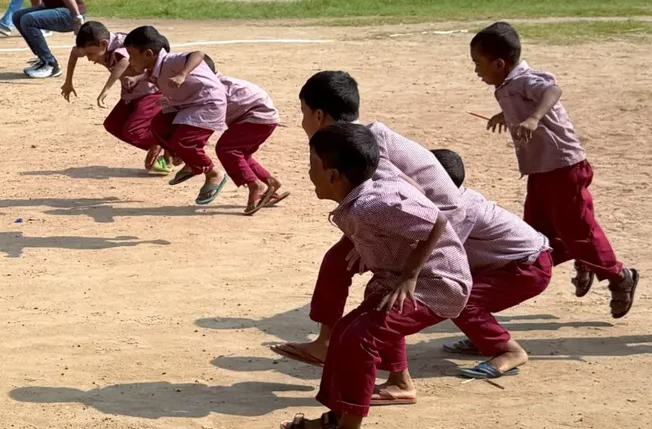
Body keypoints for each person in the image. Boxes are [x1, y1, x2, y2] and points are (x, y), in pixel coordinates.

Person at [280, 123, 471, 429]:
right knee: (344, 332)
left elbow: (437, 222)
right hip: (395, 278)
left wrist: (409, 275)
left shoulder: (371, 205)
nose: (308, 174)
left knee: (361, 339)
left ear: (333, 176)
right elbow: (411, 193)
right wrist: (369, 245)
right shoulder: (366, 193)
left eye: (312, 166)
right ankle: (334, 418)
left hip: (437, 284)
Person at [269, 71, 474, 368]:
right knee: (351, 268)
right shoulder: (357, 139)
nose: (302, 122)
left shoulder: (361, 146)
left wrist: (392, 258)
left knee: (363, 274)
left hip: (437, 226)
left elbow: (415, 197)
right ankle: (382, 369)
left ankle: (331, 346)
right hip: (418, 219)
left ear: (318, 115)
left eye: (303, 113)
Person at [471, 21, 638, 318]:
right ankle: (581, 256)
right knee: (535, 236)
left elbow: (552, 91)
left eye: (477, 64)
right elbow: (521, 103)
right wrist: (505, 115)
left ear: (499, 64)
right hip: (541, 171)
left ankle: (618, 276)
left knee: (580, 231)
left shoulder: (526, 80)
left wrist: (533, 118)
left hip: (564, 167)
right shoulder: (507, 86)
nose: (475, 71)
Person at [431, 149, 553, 379]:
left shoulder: (459, 211)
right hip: (515, 263)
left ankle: (510, 352)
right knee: (459, 295)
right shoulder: (451, 200)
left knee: (459, 300)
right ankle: (484, 339)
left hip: (527, 268)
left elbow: (436, 252)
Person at [123, 25, 227, 205]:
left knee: (185, 142)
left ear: (148, 53)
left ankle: (213, 174)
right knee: (159, 125)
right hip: (187, 104)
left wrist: (182, 74)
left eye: (131, 55)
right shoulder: (154, 67)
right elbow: (149, 75)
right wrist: (135, 79)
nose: (129, 60)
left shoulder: (171, 60)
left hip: (207, 103)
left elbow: (198, 53)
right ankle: (188, 160)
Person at [61, 21, 172, 175]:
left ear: (103, 44)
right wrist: (68, 82)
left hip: (152, 91)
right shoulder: (95, 44)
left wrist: (106, 89)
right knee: (113, 125)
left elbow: (124, 61)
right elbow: (75, 52)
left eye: (90, 54)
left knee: (134, 130)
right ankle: (157, 145)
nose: (89, 59)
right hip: (131, 93)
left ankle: (170, 146)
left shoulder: (122, 45)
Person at [213, 70, 288, 215]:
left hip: (256, 117)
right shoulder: (223, 81)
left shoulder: (210, 87)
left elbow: (206, 117)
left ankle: (255, 185)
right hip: (266, 118)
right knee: (241, 154)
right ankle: (270, 181)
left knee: (226, 149)